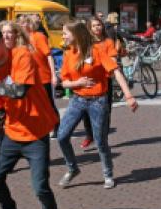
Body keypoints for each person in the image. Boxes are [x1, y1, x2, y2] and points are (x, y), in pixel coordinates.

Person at [0, 25, 59, 209]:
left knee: (40, 187)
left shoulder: (22, 56)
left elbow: (19, 90)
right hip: (12, 135)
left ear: (3, 41)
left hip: (36, 134)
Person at [57, 21, 138, 189]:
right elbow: (63, 83)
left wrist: (128, 95)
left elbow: (116, 71)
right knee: (62, 136)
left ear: (77, 34)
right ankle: (72, 168)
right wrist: (76, 83)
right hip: (77, 100)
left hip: (98, 101)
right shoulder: (69, 53)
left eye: (65, 33)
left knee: (100, 140)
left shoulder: (96, 51)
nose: (62, 36)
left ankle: (108, 174)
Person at [17, 16, 60, 137]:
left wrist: (53, 75)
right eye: (20, 23)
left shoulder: (38, 36)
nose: (21, 25)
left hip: (43, 76)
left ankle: (56, 125)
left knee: (48, 103)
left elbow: (48, 55)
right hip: (29, 78)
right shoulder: (20, 40)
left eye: (24, 23)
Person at [80, 16, 118, 149]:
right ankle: (89, 135)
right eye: (94, 25)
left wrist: (109, 65)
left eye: (99, 25)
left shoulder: (108, 42)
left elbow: (113, 59)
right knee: (85, 111)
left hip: (105, 80)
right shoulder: (86, 43)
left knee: (105, 111)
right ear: (89, 28)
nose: (97, 27)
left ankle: (103, 138)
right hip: (89, 81)